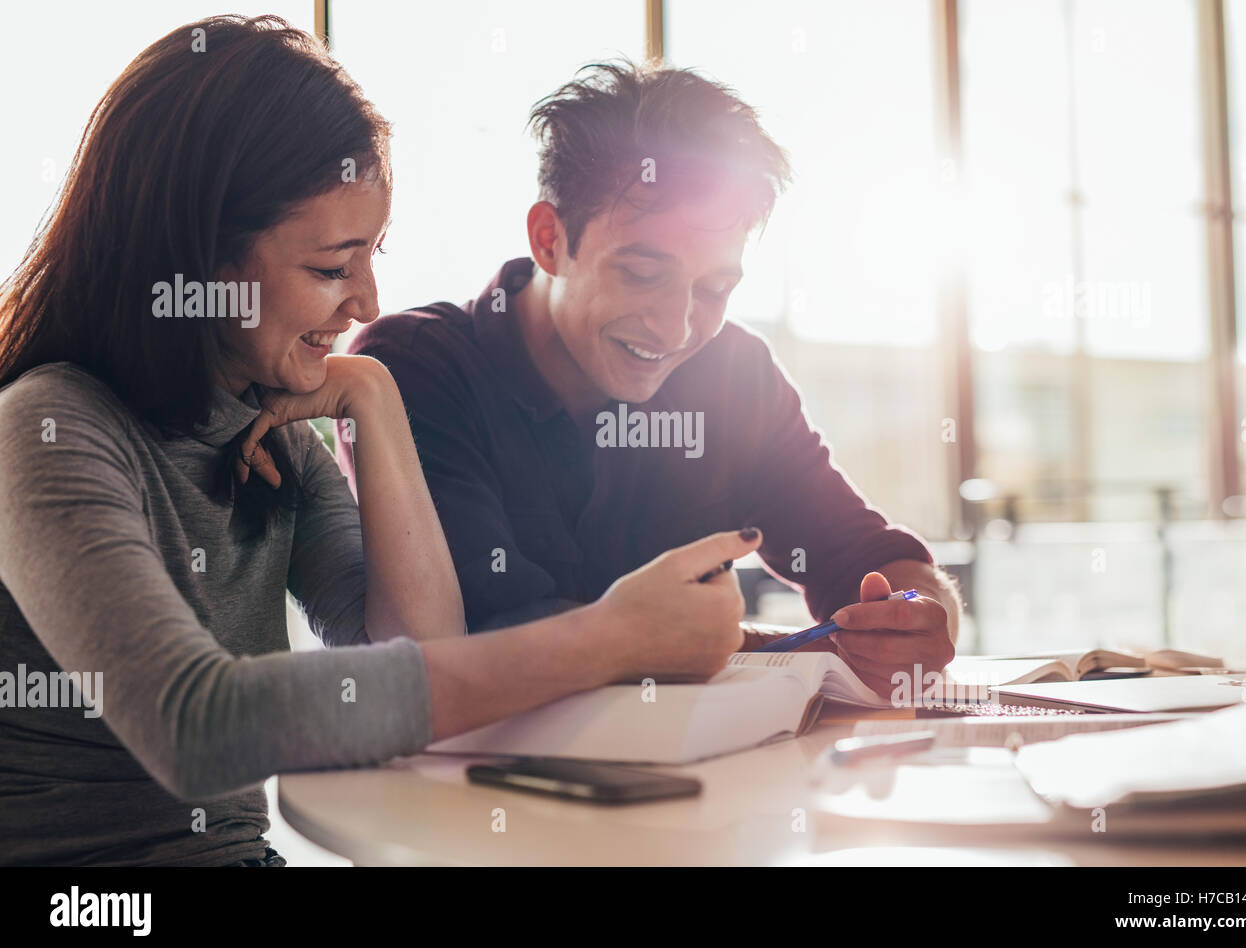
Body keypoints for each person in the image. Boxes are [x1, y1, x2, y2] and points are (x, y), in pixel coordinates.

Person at [0, 18, 756, 867]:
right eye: (331, 267)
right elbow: (195, 726)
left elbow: (418, 665)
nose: (366, 301)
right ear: (196, 259)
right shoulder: (47, 427)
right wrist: (611, 638)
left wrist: (375, 396)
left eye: (371, 257)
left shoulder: (278, 439)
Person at [344, 62, 961, 696]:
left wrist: (917, 614)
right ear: (550, 239)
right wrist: (736, 642)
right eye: (642, 275)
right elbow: (477, 634)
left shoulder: (734, 374)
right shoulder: (415, 367)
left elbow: (868, 553)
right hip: (461, 787)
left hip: (709, 784)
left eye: (714, 289)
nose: (675, 329)